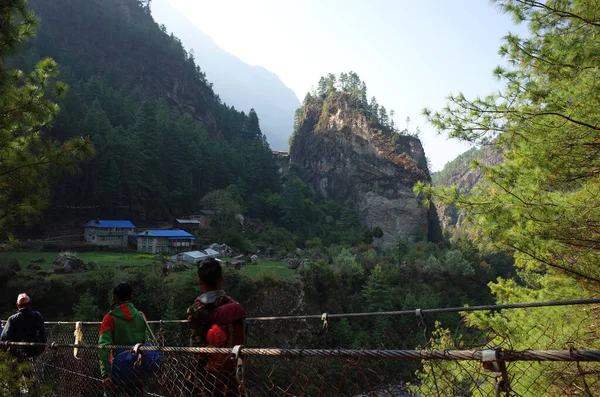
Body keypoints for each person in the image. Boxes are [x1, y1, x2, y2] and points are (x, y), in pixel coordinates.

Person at [187, 258, 247, 397]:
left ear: (199, 281)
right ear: (221, 279)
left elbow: (196, 342)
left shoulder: (195, 310)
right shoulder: (235, 306)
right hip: (232, 371)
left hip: (205, 373)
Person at [98, 282, 147, 396]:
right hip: (137, 367)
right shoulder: (140, 316)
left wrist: (105, 374)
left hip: (117, 368)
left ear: (113, 299)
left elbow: (103, 347)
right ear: (131, 298)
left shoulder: (109, 318)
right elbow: (143, 341)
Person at [0, 293, 47, 357]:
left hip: (17, 351)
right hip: (35, 349)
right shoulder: (37, 316)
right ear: (30, 304)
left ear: (17, 305)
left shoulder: (12, 319)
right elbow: (43, 335)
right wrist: (41, 346)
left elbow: (4, 338)